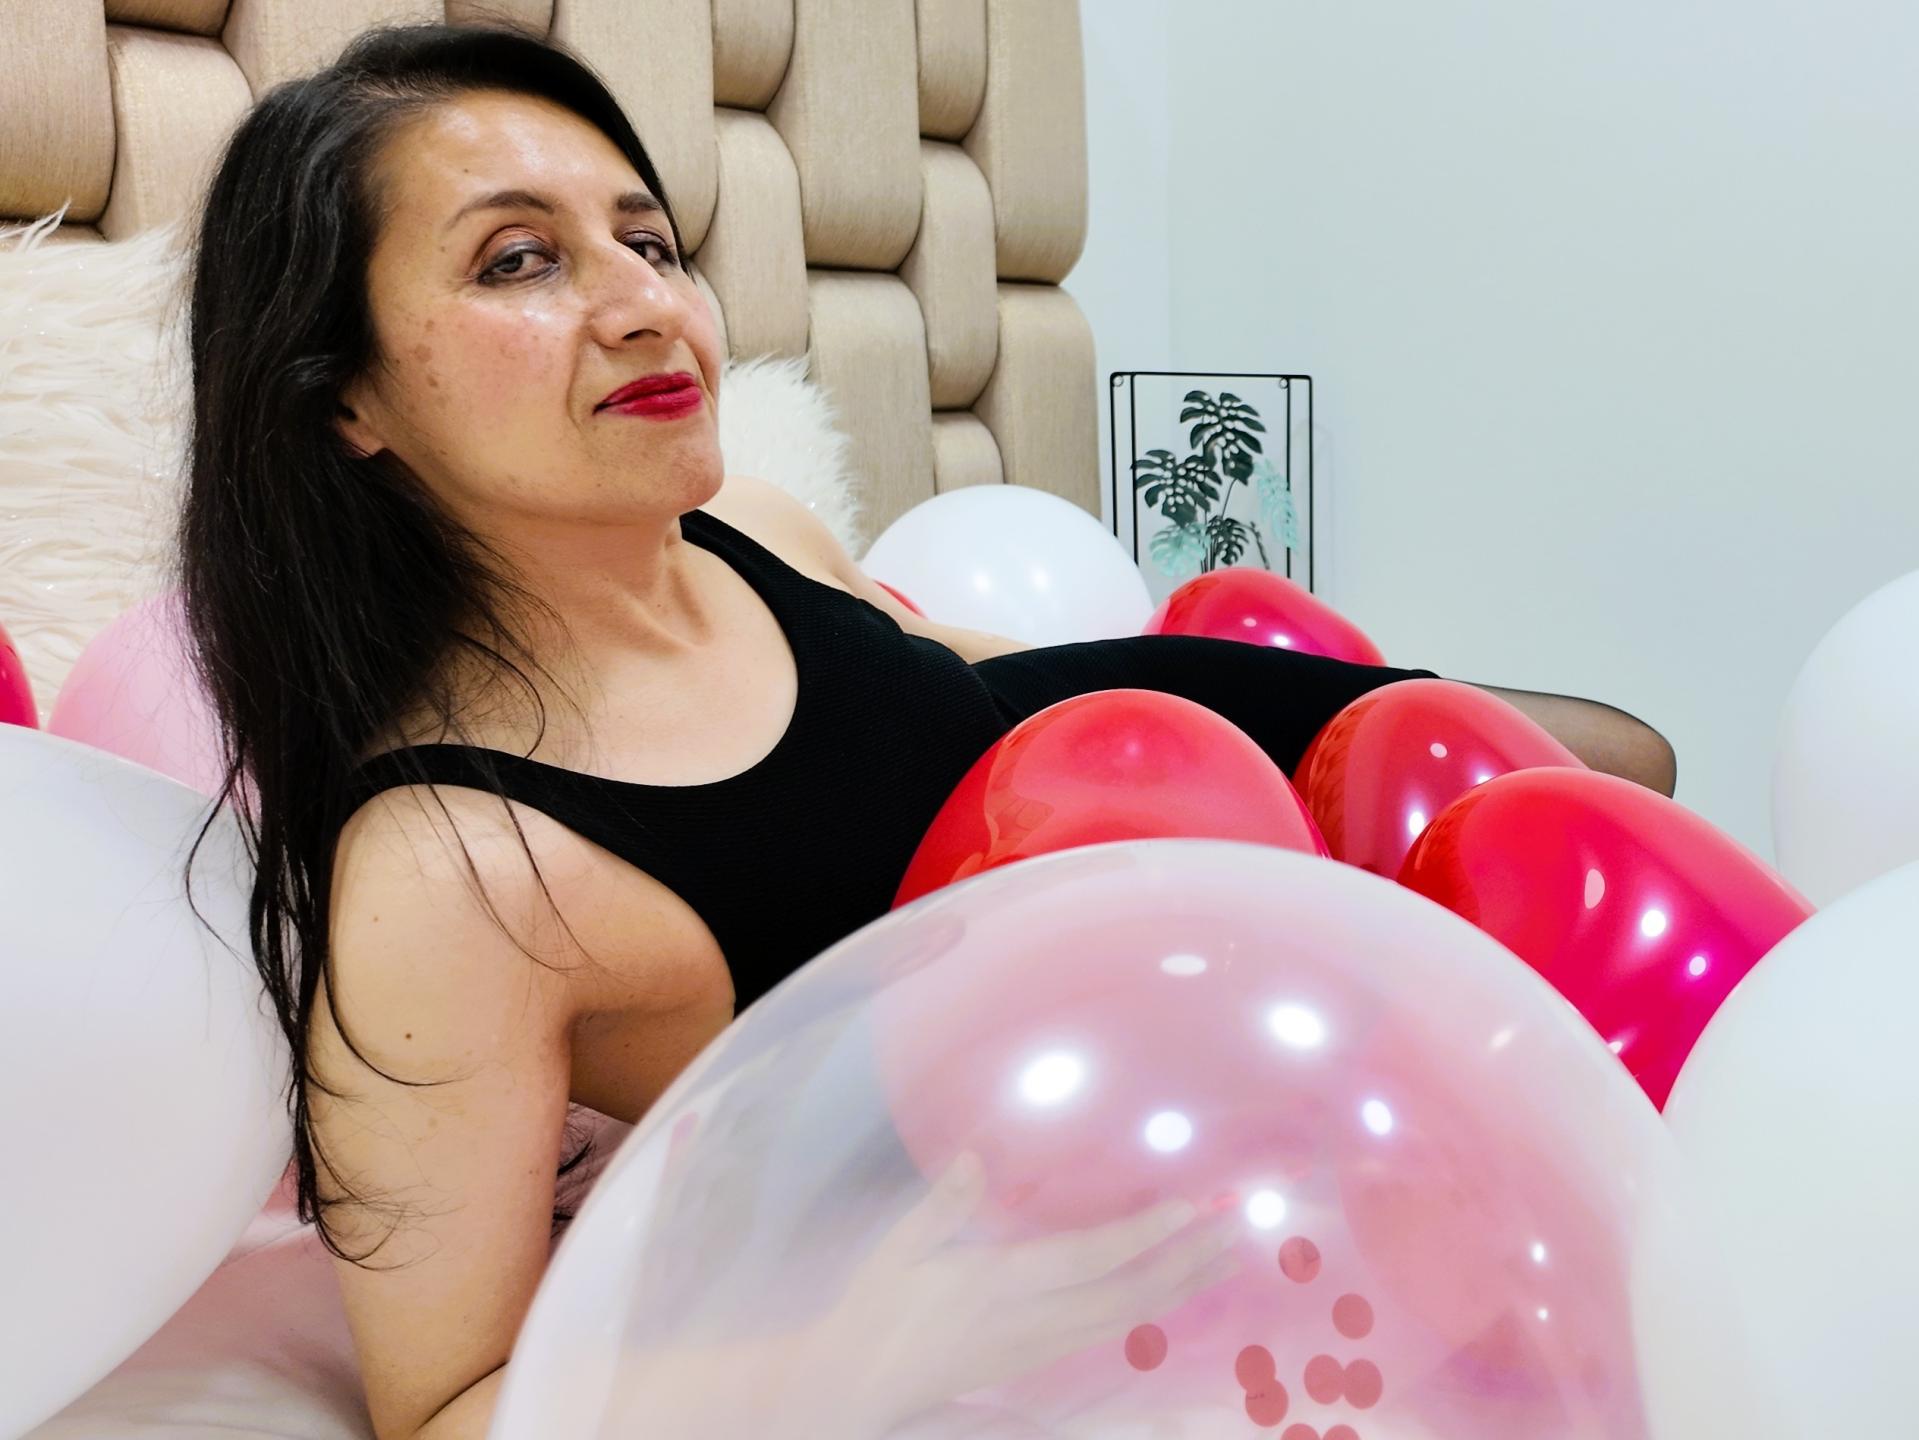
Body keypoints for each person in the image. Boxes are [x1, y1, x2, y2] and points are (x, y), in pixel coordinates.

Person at [176, 23, 1676, 1440]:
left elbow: (952, 677)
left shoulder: (749, 524)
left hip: (1138, 769)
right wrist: (863, 1339)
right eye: (520, 261)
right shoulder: (457, 872)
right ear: (346, 401)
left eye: (649, 241)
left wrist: (1179, 719)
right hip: (1119, 1008)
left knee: (1616, 766)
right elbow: (444, 1406)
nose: (645, 306)